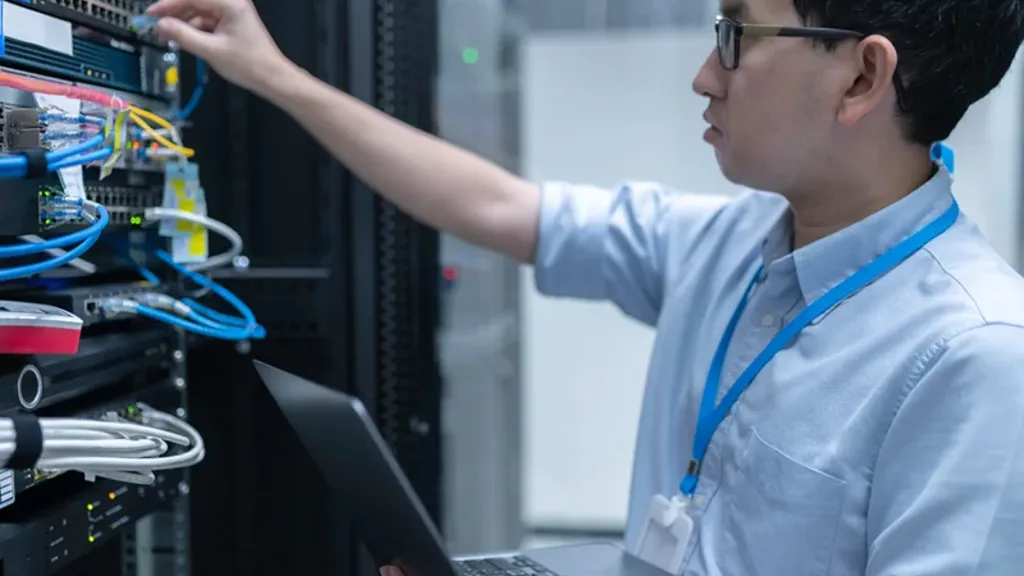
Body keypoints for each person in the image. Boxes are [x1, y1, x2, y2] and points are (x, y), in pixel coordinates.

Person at [147, 0, 1024, 573]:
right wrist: (273, 75)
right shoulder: (724, 247)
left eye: (735, 34)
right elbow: (495, 204)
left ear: (863, 77)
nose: (704, 74)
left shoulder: (974, 359)